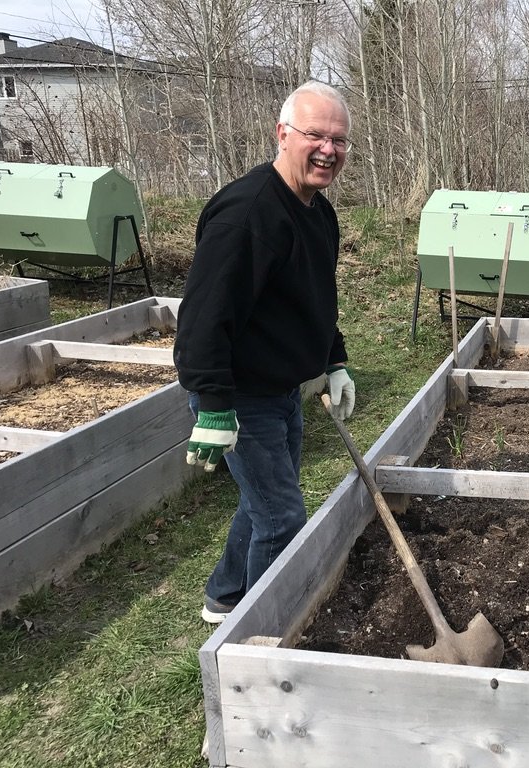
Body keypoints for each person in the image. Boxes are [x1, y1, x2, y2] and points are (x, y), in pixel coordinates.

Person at [174, 81, 357, 624]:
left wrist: (334, 359)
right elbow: (205, 316)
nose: (328, 150)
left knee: (266, 503)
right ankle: (262, 639)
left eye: (340, 140)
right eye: (315, 135)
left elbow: (316, 299)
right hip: (240, 395)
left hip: (282, 391)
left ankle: (226, 594)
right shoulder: (248, 214)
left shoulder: (317, 213)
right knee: (282, 518)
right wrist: (210, 401)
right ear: (282, 134)